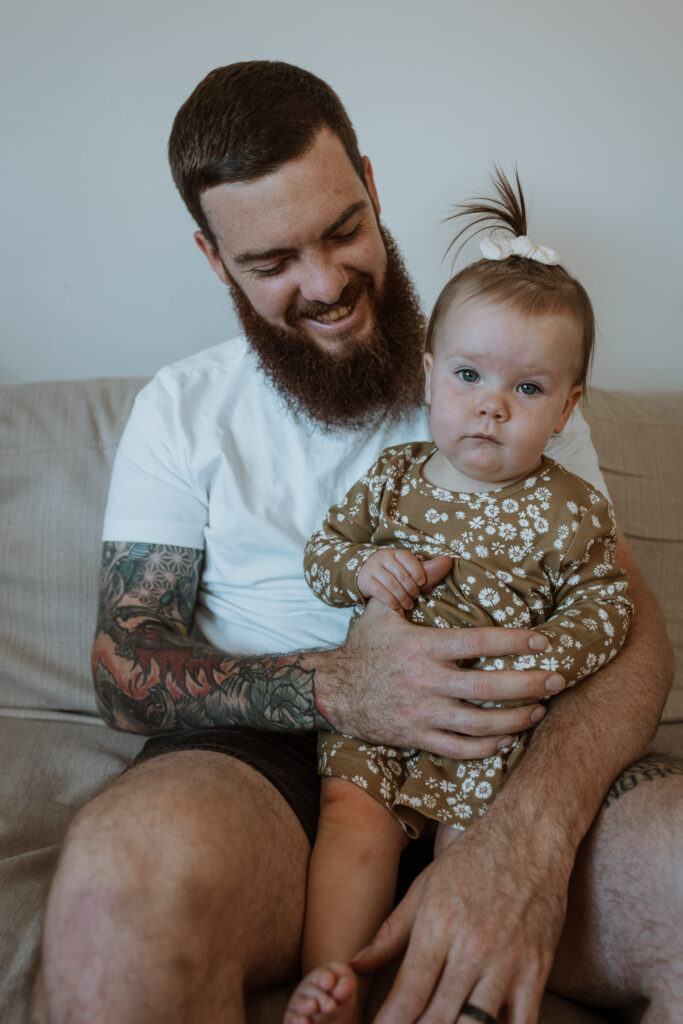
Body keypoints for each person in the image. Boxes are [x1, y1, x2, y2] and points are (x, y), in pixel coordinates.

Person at [32, 61, 680, 1024]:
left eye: (343, 231)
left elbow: (627, 628)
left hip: (516, 741)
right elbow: (126, 664)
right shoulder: (181, 409)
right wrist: (341, 685)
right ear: (216, 260)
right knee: (115, 887)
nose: (327, 284)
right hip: (273, 760)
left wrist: (531, 832)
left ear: (372, 189)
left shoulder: (505, 367)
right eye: (271, 262)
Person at [286, 170, 633, 1024]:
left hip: (488, 735)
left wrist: (547, 658)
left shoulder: (571, 507)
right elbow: (324, 554)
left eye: (525, 389)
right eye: (471, 375)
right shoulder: (395, 477)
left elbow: (610, 606)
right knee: (350, 813)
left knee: (470, 852)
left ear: (565, 408)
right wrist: (364, 573)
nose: (490, 408)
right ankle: (333, 979)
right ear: (431, 375)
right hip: (376, 714)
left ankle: (446, 1000)